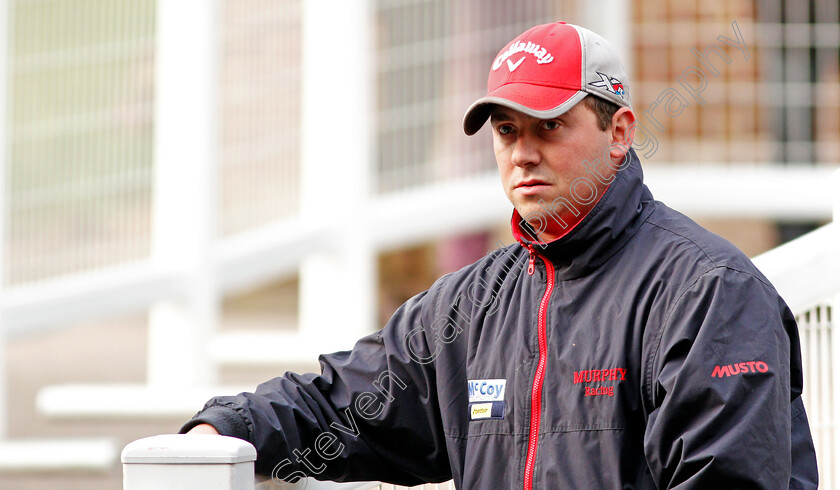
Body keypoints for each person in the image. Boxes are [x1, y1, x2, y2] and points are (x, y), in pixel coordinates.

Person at [181, 22, 819, 488]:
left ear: (620, 131)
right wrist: (218, 431)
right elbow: (337, 405)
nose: (523, 153)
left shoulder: (707, 293)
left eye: (550, 127)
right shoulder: (468, 305)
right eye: (507, 130)